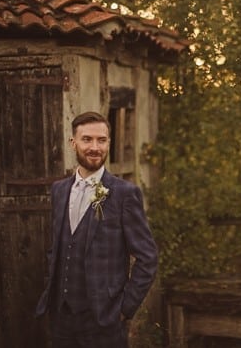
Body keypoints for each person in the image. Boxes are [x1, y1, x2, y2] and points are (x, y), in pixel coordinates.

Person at [35, 111, 158, 348]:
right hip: (62, 319)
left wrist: (124, 309)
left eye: (101, 140)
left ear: (109, 143)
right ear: (73, 143)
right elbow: (58, 247)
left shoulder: (124, 194)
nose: (95, 147)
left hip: (104, 321)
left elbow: (148, 258)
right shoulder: (59, 190)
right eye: (87, 139)